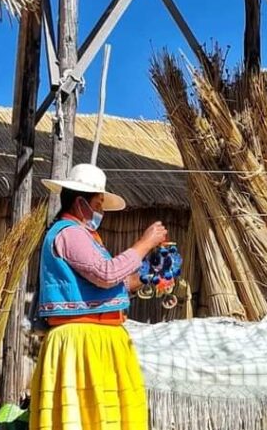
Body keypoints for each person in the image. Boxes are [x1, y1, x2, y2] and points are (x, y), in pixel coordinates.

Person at [30, 163, 168, 430]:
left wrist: (149, 275)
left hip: (100, 339)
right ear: (81, 203)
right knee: (85, 416)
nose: (101, 211)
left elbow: (115, 282)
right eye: (99, 203)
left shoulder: (89, 238)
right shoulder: (69, 234)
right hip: (81, 340)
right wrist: (145, 243)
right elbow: (105, 274)